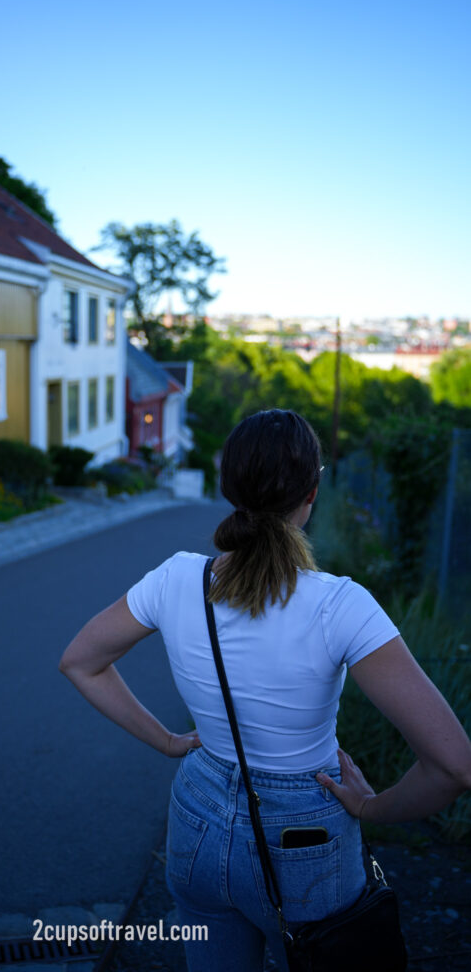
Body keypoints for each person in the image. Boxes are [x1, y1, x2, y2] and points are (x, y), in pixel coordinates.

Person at [59, 409, 471, 972]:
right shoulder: (340, 604)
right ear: (313, 489)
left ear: (230, 486)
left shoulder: (176, 578)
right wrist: (373, 807)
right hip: (308, 828)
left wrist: (167, 742)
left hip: (196, 814)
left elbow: (81, 662)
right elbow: (454, 766)